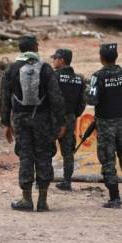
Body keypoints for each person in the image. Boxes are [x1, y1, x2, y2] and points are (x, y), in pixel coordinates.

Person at [0, 34, 66, 212]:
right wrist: (61, 122)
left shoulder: (11, 69)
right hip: (42, 119)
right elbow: (56, 98)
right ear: (35, 48)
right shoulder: (45, 69)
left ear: (20, 48)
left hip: (20, 120)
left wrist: (6, 123)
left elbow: (4, 98)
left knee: (26, 155)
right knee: (44, 155)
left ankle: (26, 199)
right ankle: (43, 200)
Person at [87, 43, 122, 209]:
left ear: (101, 58)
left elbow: (92, 100)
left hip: (106, 124)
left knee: (108, 161)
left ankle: (115, 198)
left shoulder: (97, 77)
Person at [51, 49, 86, 191]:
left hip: (53, 118)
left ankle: (42, 179)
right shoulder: (79, 79)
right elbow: (82, 103)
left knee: (46, 148)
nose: (53, 60)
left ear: (62, 60)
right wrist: (72, 115)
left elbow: (48, 98)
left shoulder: (53, 77)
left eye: (55, 58)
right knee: (68, 152)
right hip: (70, 118)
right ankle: (67, 181)